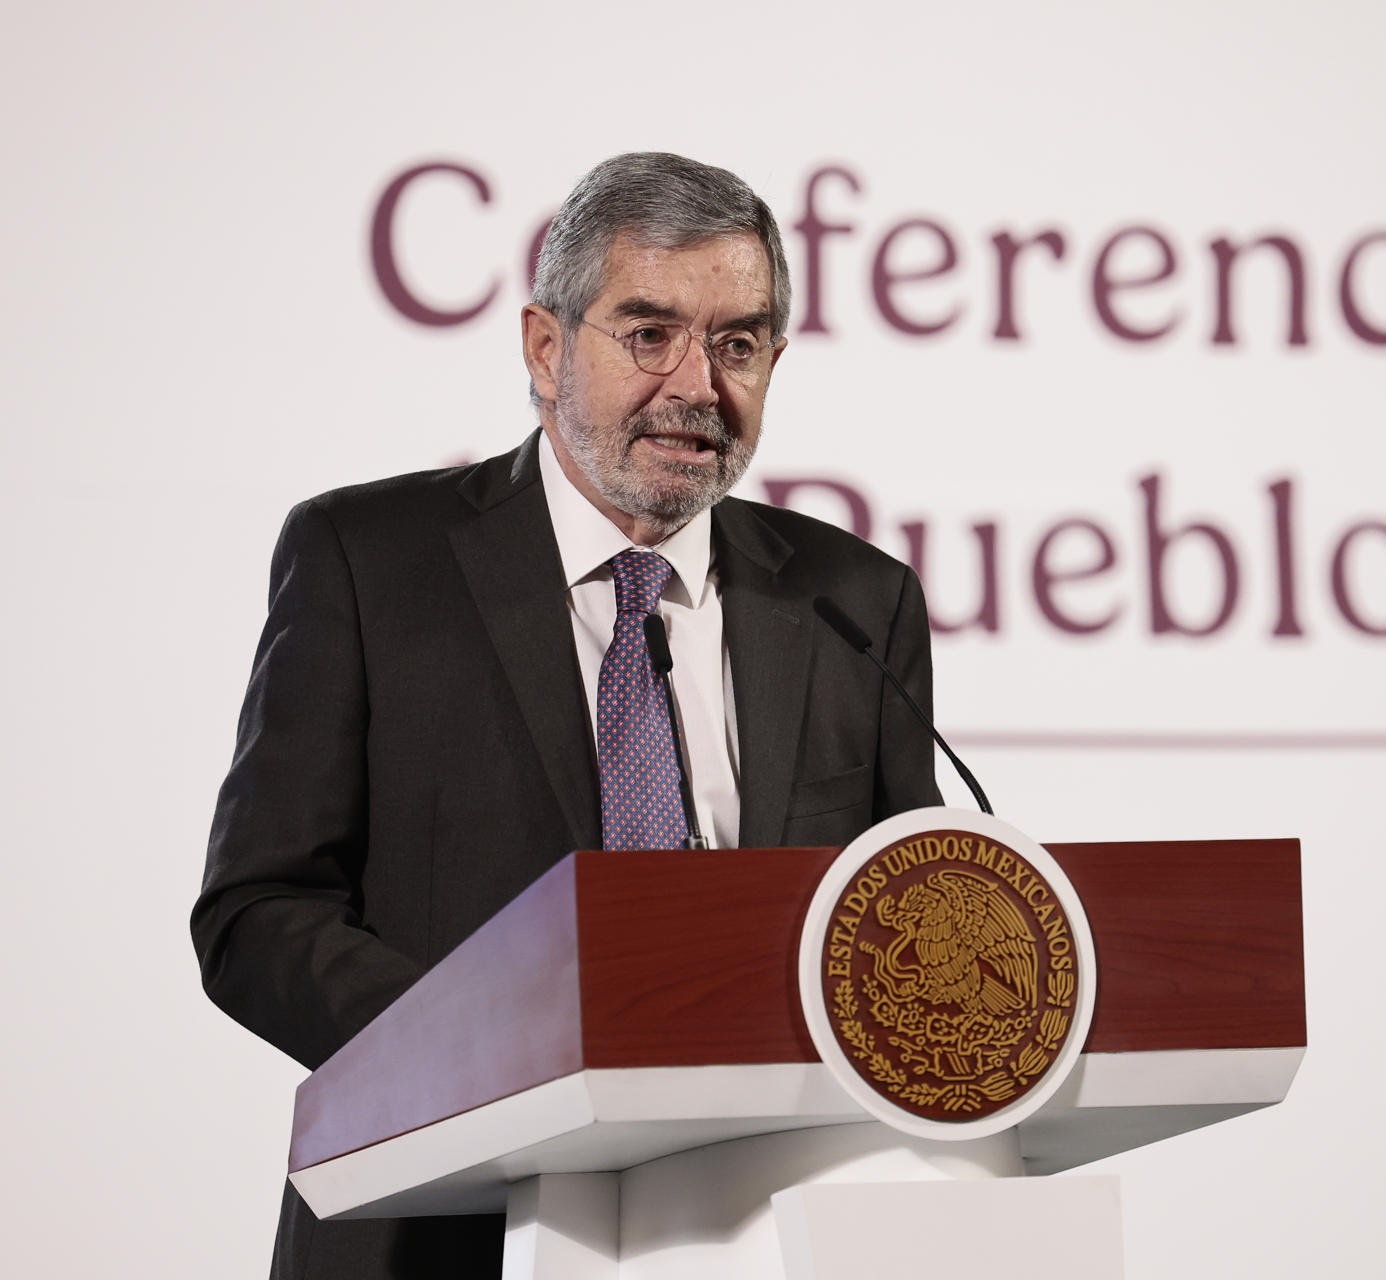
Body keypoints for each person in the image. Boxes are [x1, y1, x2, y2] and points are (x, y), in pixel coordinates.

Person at [192, 152, 942, 1280]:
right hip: (436, 1229)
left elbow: (903, 921)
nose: (697, 383)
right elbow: (258, 910)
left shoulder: (852, 601)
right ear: (546, 348)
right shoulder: (368, 561)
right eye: (650, 333)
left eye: (737, 344)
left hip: (768, 1235)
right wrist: (497, 1049)